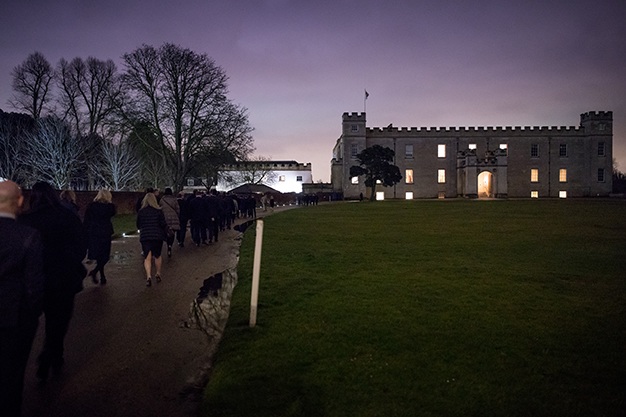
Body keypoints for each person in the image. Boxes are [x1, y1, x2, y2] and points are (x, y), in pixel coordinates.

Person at [18, 181, 87, 382]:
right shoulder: (67, 217)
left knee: (29, 323)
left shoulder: (25, 220)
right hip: (62, 278)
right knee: (58, 321)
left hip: (34, 280)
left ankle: (46, 355)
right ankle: (52, 353)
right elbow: (80, 246)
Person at [0, 180, 45, 417]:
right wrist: (32, 314)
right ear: (19, 201)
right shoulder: (27, 236)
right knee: (12, 374)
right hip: (13, 318)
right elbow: (34, 284)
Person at [84, 190, 116, 285]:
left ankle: (101, 275)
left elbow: (87, 219)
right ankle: (97, 272)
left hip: (94, 232)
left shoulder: (91, 206)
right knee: (105, 256)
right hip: (105, 232)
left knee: (99, 255)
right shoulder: (109, 207)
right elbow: (113, 213)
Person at [137, 193, 167, 286]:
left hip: (145, 236)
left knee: (147, 257)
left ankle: (148, 276)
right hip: (157, 236)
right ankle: (158, 273)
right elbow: (163, 223)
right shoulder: (158, 211)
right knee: (157, 255)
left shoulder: (141, 212)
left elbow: (138, 224)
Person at [159, 187, 180, 257]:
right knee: (172, 233)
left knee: (166, 230)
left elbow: (160, 209)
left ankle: (166, 240)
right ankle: (170, 245)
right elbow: (177, 209)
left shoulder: (162, 200)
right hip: (173, 218)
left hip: (165, 218)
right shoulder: (174, 200)